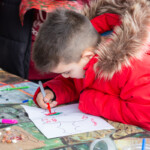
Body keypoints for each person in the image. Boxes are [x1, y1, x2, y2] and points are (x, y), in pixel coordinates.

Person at [32, 0, 150, 131]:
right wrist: (53, 92)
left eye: (67, 71)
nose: (65, 77)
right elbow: (76, 82)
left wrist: (91, 101)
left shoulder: (134, 65)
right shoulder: (83, 50)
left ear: (87, 56)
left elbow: (145, 114)